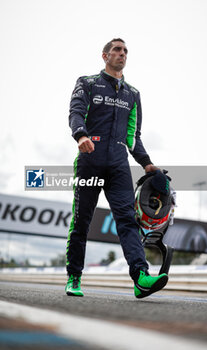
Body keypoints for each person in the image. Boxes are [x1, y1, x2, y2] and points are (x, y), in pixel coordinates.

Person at [65, 38, 168, 298]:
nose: (122, 54)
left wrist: (147, 164)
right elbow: (76, 112)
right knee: (81, 221)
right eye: (117, 50)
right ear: (105, 56)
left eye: (125, 51)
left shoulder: (133, 94)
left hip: (118, 164)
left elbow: (133, 136)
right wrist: (81, 135)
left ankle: (140, 277)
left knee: (128, 220)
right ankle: (74, 277)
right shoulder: (87, 83)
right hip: (90, 161)